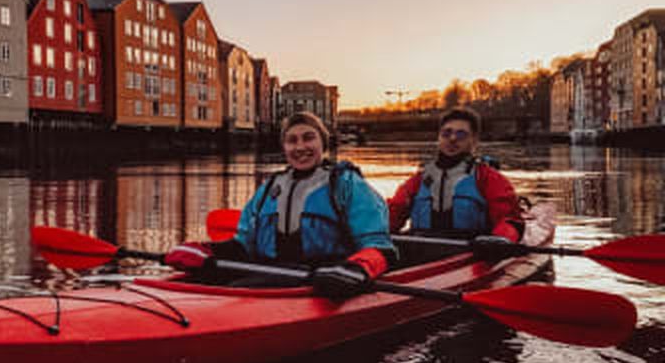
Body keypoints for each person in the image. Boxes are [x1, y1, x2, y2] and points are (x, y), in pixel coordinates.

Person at [165, 111, 399, 297]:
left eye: (309, 138)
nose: (300, 147)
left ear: (323, 142)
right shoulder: (271, 187)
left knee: (244, 285)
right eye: (291, 140)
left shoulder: (347, 184)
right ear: (284, 147)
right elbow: (245, 244)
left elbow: (380, 247)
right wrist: (207, 249)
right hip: (271, 275)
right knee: (217, 275)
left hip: (328, 280)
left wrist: (357, 268)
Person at [387, 107, 525, 262]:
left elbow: (509, 220)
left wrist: (501, 239)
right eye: (446, 133)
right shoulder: (420, 179)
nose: (452, 138)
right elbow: (393, 213)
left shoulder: (488, 178)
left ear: (474, 140)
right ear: (439, 138)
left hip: (471, 253)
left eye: (461, 134)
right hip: (420, 249)